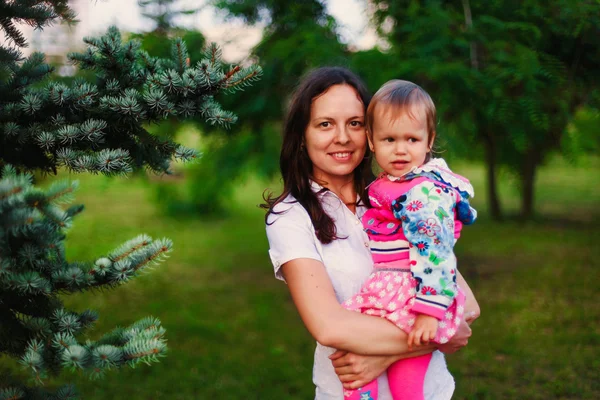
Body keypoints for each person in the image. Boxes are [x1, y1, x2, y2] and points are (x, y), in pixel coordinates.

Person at [263, 67, 480, 400]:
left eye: (354, 123)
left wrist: (386, 355)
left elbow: (465, 305)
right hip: (346, 391)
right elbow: (329, 326)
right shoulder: (291, 217)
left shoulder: (401, 196)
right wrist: (438, 331)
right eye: (325, 124)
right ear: (301, 135)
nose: (343, 138)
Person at [341, 80, 477, 400]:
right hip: (386, 287)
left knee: (405, 383)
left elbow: (436, 252)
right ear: (372, 141)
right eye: (389, 139)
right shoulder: (389, 184)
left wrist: (429, 311)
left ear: (428, 140)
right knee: (356, 363)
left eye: (411, 139)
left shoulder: (423, 192)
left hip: (412, 292)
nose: (401, 149)